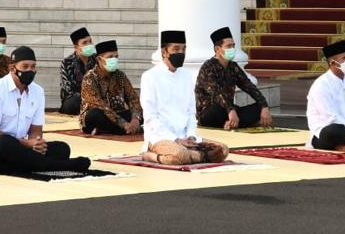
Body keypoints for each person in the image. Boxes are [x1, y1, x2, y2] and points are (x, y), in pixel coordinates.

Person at [0, 46, 91, 175]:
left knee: (62, 149)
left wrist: (36, 144)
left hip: (20, 147)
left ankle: (2, 167)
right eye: (25, 66)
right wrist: (27, 144)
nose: (30, 70)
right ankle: (59, 166)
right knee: (5, 142)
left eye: (33, 67)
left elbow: (36, 131)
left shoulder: (37, 91)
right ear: (12, 68)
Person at [140, 30, 229, 164]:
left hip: (186, 138)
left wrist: (191, 136)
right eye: (176, 49)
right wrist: (176, 140)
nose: (181, 53)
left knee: (223, 149)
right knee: (180, 155)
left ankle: (195, 156)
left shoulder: (187, 76)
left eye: (183, 49)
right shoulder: (150, 77)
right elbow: (151, 117)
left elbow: (191, 112)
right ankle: (149, 156)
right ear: (164, 52)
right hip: (161, 137)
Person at [196, 26, 273, 129]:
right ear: (217, 49)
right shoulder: (208, 67)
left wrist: (264, 106)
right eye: (228, 46)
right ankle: (232, 122)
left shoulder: (233, 66)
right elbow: (217, 93)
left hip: (228, 110)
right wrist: (230, 110)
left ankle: (230, 123)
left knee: (259, 108)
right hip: (210, 112)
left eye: (233, 46)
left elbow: (248, 86)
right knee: (218, 107)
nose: (232, 49)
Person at [79, 40, 143, 136]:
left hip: (118, 113)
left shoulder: (120, 75)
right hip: (100, 115)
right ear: (99, 59)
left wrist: (135, 119)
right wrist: (124, 124)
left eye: (116, 57)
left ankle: (107, 130)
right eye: (110, 57)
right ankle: (123, 130)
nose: (114, 59)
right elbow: (99, 105)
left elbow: (133, 99)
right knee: (94, 115)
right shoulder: (90, 77)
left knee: (144, 111)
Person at [59, 27, 96, 115]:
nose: (89, 44)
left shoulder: (97, 60)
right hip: (76, 100)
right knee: (74, 101)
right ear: (76, 47)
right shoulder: (67, 63)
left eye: (90, 41)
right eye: (84, 43)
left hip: (96, 99)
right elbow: (70, 89)